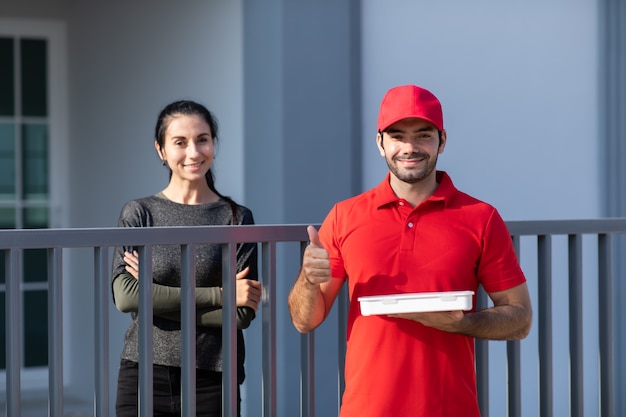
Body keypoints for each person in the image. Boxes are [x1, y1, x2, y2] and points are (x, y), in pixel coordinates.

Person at [287, 85, 533, 417]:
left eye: (423, 135)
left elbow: (520, 318)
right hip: (366, 409)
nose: (410, 147)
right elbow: (305, 321)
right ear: (380, 143)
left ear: (442, 141)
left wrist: (462, 324)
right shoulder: (344, 216)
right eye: (397, 135)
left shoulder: (481, 218)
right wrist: (307, 278)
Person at [111, 100, 262, 417]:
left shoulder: (235, 218)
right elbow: (126, 297)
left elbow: (240, 316)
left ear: (213, 144)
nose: (194, 153)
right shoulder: (139, 214)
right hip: (143, 372)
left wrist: (151, 300)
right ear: (161, 150)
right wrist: (219, 295)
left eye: (202, 139)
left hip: (213, 376)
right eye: (180, 142)